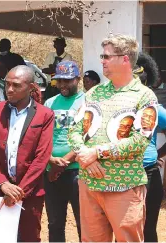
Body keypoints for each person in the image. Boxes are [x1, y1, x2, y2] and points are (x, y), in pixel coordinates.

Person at [68, 34, 158, 242]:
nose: (102, 61)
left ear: (125, 59)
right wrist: (85, 158)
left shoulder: (144, 96)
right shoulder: (93, 93)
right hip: (89, 185)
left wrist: (97, 152)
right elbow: (74, 130)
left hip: (124, 187)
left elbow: (139, 141)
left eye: (107, 56)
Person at [0, 65, 54, 242]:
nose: (9, 89)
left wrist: (18, 192)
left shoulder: (44, 115)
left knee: (27, 237)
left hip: (29, 193)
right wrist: (2, 184)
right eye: (7, 84)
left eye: (16, 85)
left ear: (31, 87)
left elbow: (41, 157)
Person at [43, 61, 83, 242]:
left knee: (84, 222)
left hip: (79, 172)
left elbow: (88, 137)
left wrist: (63, 163)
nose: (63, 85)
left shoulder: (88, 102)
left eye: (68, 81)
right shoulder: (50, 103)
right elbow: (43, 137)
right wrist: (51, 161)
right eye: (59, 81)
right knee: (55, 223)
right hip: (51, 171)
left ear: (78, 79)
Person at [133, 52, 166, 242]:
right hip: (120, 174)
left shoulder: (154, 108)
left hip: (148, 174)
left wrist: (159, 155)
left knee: (147, 229)